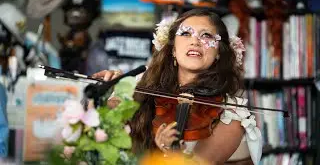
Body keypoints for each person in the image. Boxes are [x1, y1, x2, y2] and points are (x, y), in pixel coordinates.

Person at [92, 9, 262, 165]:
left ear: (218, 52)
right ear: (173, 49)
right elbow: (102, 136)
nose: (195, 41)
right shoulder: (140, 84)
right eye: (186, 33)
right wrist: (110, 91)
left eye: (207, 36)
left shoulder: (231, 116)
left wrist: (170, 153)